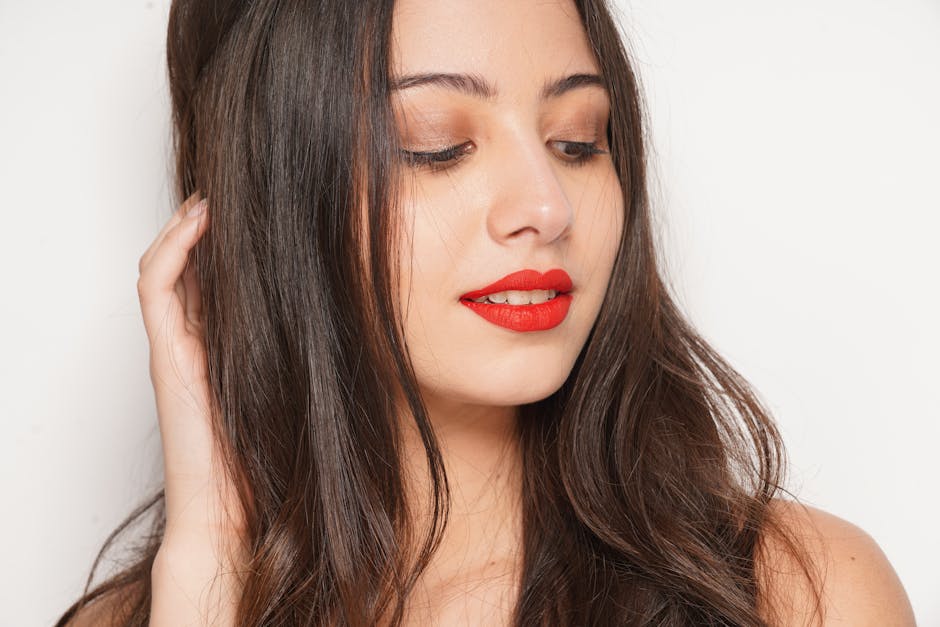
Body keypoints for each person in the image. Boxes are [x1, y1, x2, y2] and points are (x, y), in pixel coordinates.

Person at [57, 0, 915, 625]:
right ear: (272, 202)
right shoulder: (144, 615)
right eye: (438, 147)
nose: (546, 206)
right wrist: (207, 561)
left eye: (577, 141)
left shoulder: (803, 592)